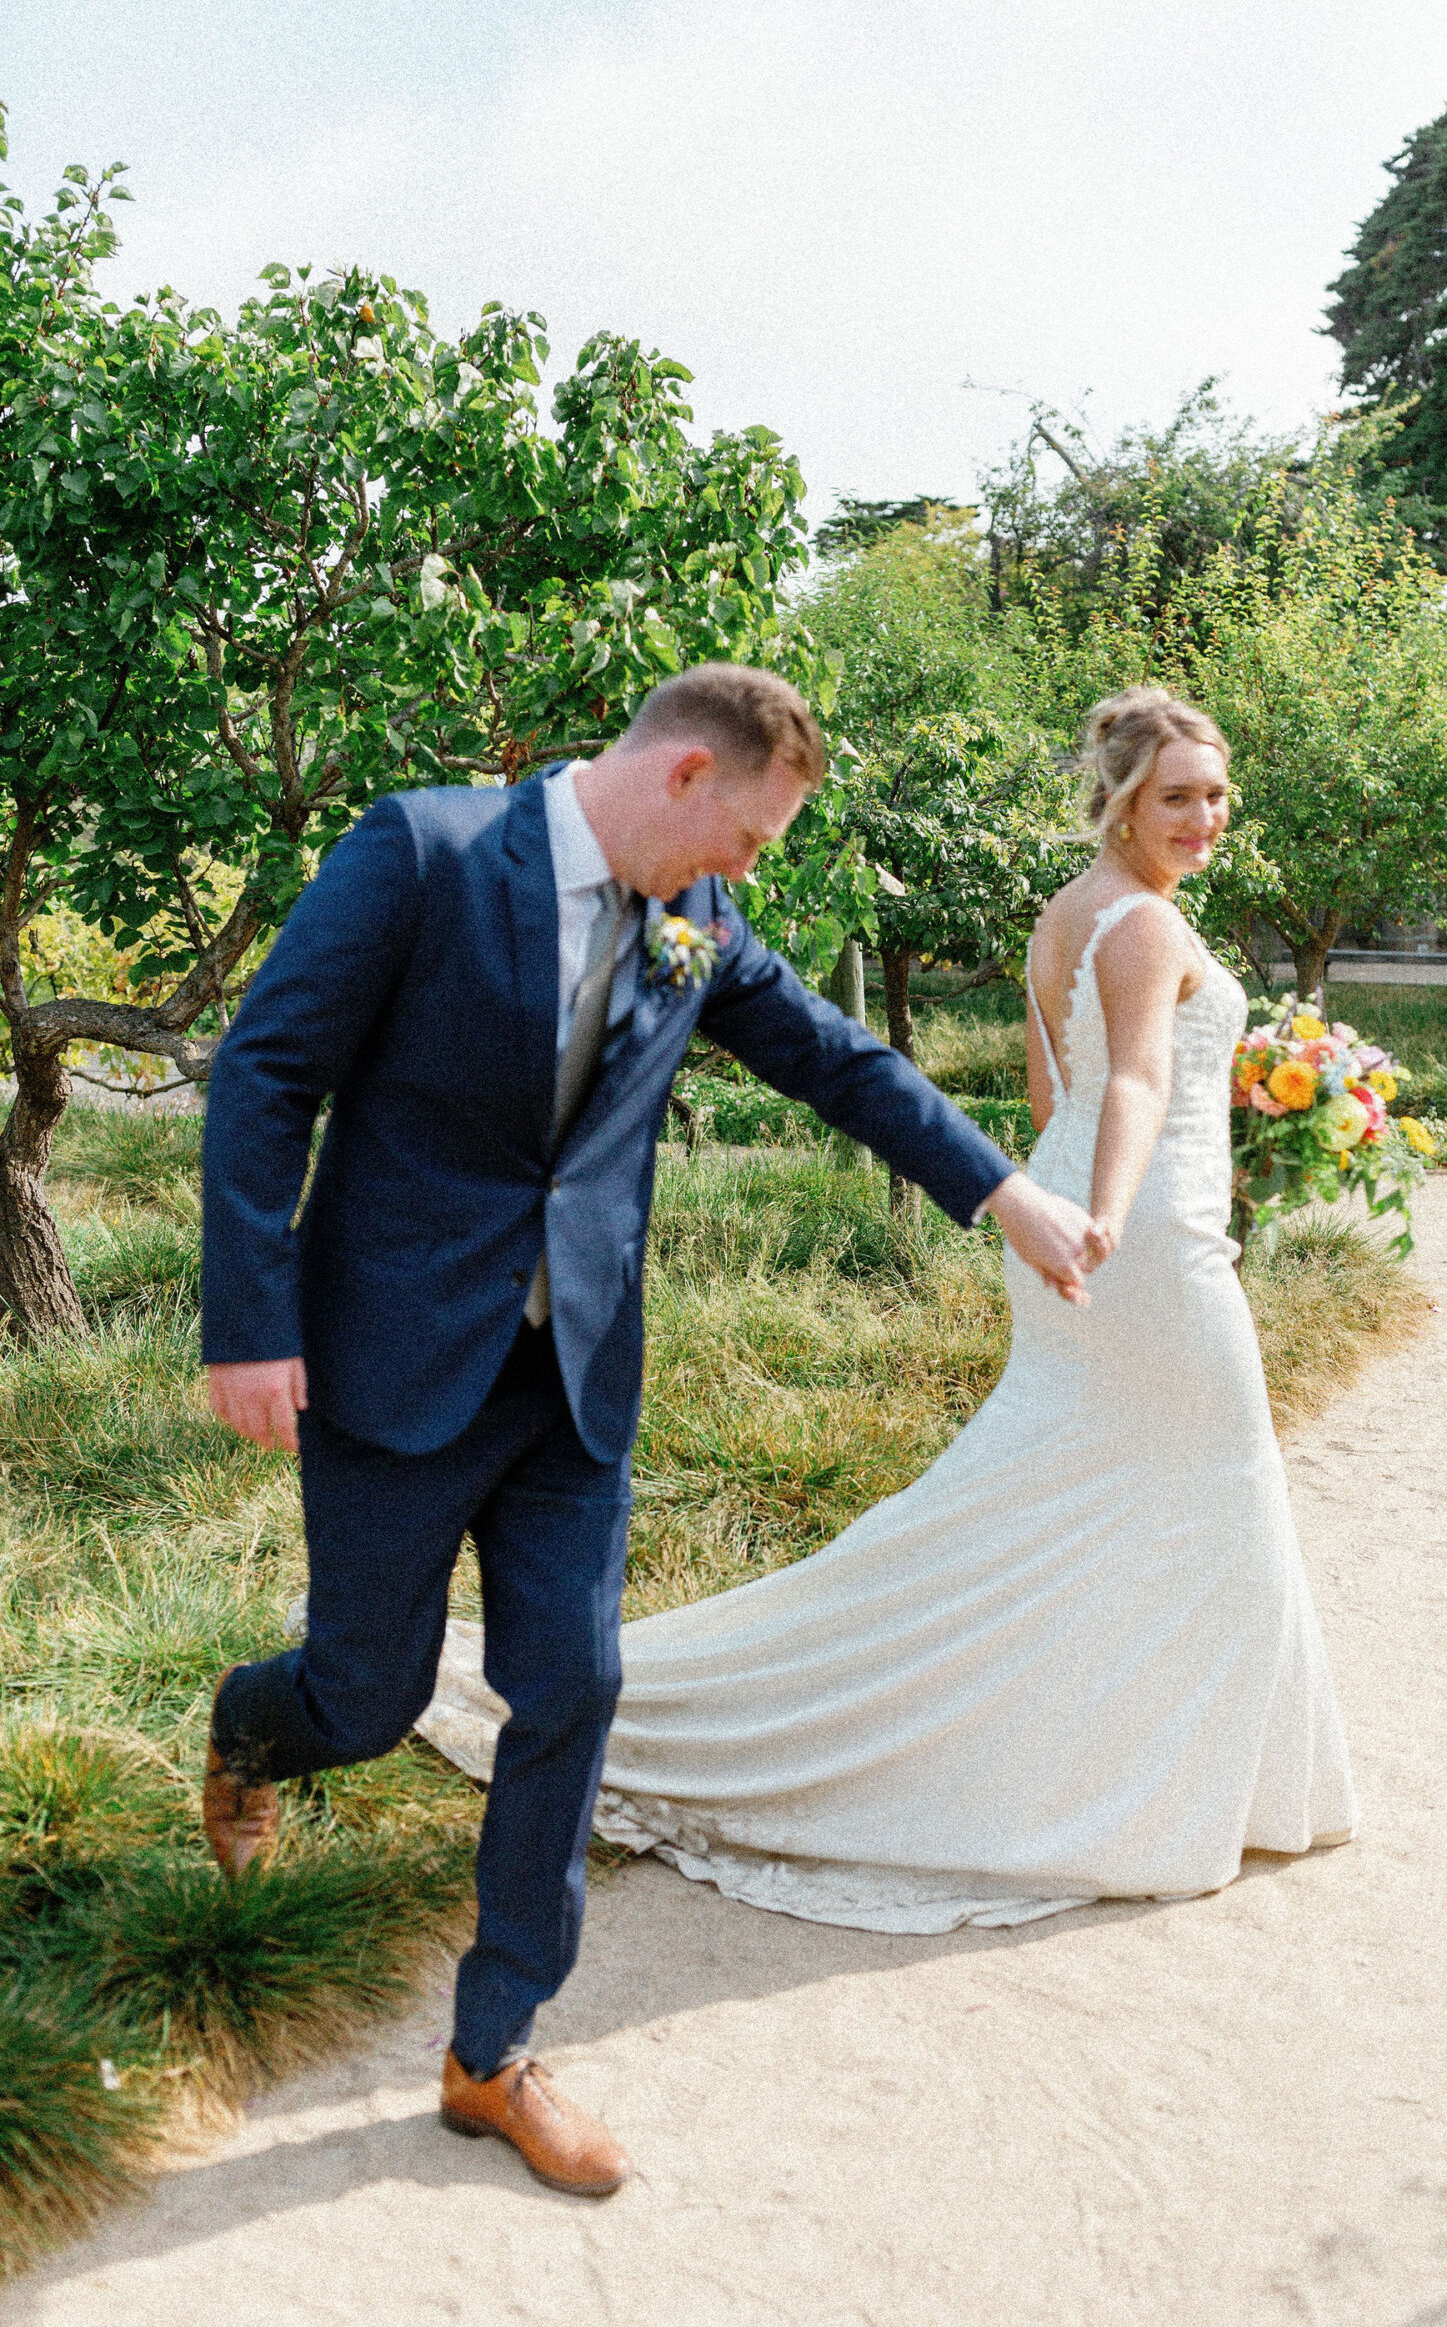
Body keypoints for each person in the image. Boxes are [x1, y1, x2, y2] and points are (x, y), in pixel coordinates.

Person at [199, 663, 1102, 2198]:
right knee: (369, 1692)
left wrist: (1003, 1192)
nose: (750, 872)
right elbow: (268, 1069)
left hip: (572, 1385)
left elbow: (836, 1056)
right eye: (749, 837)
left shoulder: (697, 924)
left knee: (574, 1685)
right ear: (685, 778)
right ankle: (252, 1726)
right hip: (395, 1358)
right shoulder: (420, 851)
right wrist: (251, 1320)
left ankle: (491, 2055)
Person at [424, 683, 1358, 1933]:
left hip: (1071, 1208)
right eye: (1177, 795)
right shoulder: (1139, 926)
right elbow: (1133, 1081)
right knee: (1220, 1478)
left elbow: (1052, 1089)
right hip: (1137, 1234)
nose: (1204, 816)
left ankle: (1135, 1759)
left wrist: (1081, 1195)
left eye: (1216, 793)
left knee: (1072, 1484)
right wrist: (1123, 1211)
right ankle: (1181, 1787)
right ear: (1122, 799)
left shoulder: (1069, 912)